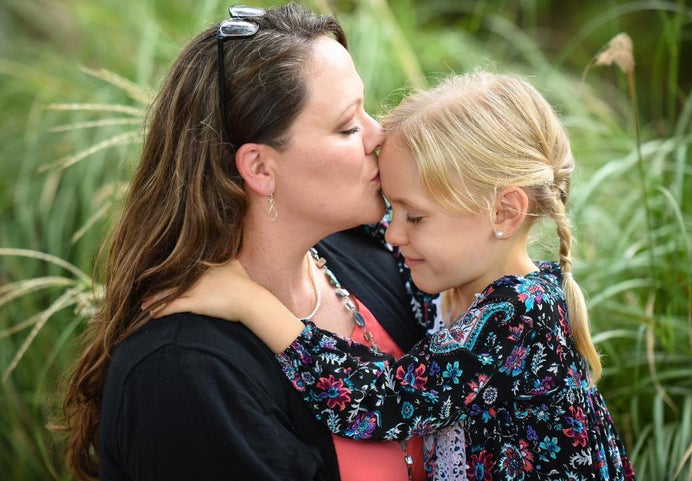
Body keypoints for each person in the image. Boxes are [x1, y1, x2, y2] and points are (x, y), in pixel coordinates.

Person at [156, 70, 637, 480]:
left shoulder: (519, 314)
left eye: (415, 217)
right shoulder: (454, 287)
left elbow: (385, 402)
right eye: (392, 207)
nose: (392, 234)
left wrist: (249, 302)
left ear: (504, 212)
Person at [55, 3, 436, 481]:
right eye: (347, 126)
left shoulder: (373, 253)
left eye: (367, 110)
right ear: (259, 168)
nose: (379, 136)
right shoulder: (183, 374)